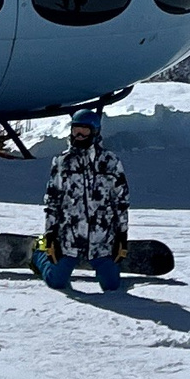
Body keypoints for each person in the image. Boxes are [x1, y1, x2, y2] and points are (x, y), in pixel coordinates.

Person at [32, 108, 132, 294]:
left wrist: (122, 234)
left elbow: (121, 201)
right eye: (75, 130)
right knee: (56, 282)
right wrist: (51, 234)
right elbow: (53, 201)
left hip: (101, 239)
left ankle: (110, 266)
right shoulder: (62, 162)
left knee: (111, 287)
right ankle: (38, 253)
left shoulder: (110, 161)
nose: (78, 136)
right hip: (69, 238)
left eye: (84, 131)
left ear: (95, 132)